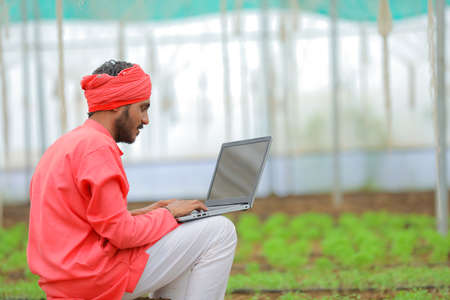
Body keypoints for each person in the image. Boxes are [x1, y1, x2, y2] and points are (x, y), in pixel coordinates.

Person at [27, 60, 237, 300]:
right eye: (143, 108)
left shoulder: (66, 145)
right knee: (220, 230)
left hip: (64, 282)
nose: (146, 120)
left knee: (184, 234)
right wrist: (167, 215)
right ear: (117, 105)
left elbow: (95, 222)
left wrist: (150, 213)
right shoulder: (97, 149)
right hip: (94, 279)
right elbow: (122, 235)